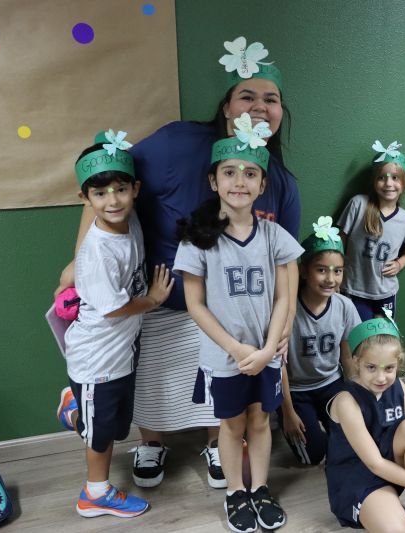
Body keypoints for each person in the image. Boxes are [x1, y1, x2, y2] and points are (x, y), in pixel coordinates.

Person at [56, 37, 301, 488]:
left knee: (218, 386)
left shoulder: (279, 181)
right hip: (160, 299)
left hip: (232, 310)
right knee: (154, 381)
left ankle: (217, 444)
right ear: (226, 106)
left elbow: (285, 263)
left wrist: (279, 326)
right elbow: (107, 180)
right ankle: (152, 442)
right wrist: (80, 261)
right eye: (247, 96)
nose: (260, 107)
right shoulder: (177, 144)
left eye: (271, 99)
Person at [173, 122, 303, 532]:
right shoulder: (197, 241)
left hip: (265, 353)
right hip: (226, 356)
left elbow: (284, 298)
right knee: (231, 425)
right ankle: (235, 492)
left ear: (262, 184)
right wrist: (236, 348)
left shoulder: (274, 236)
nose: (239, 181)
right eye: (229, 172)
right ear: (214, 181)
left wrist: (267, 349)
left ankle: (259, 488)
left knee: (261, 421)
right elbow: (195, 305)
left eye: (250, 174)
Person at [56, 130, 174, 518]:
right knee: (102, 434)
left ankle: (75, 407)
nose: (113, 201)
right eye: (100, 193)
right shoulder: (99, 253)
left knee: (117, 424)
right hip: (97, 359)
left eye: (121, 189)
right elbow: (114, 308)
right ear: (85, 199)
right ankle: (95, 493)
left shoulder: (129, 220)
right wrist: (153, 300)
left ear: (135, 190)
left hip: (119, 353)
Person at [325, 315, 405, 533]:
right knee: (395, 529)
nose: (381, 377)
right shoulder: (346, 400)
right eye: (371, 367)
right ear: (356, 362)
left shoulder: (399, 387)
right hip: (358, 476)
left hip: (392, 464)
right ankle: (390, 502)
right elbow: (375, 464)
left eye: (389, 368)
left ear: (398, 364)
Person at [278, 216, 362, 465]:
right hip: (296, 391)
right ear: (304, 271)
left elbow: (347, 356)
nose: (330, 279)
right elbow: (278, 364)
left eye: (337, 271)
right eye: (321, 269)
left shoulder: (345, 306)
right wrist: (287, 412)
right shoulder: (287, 309)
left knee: (355, 442)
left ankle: (331, 428)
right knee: (313, 456)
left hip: (331, 384)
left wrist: (356, 395)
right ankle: (312, 428)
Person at [338, 140, 405, 321]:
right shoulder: (358, 204)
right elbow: (341, 239)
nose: (388, 183)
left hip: (385, 293)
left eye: (395, 178)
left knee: (383, 335)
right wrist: (338, 271)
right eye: (382, 177)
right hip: (354, 290)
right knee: (360, 335)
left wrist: (400, 263)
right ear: (374, 181)